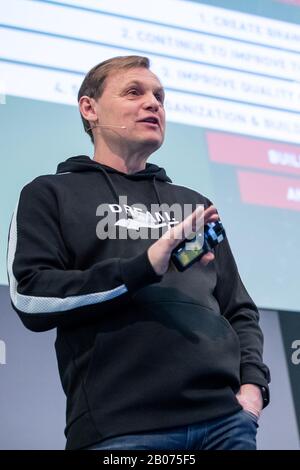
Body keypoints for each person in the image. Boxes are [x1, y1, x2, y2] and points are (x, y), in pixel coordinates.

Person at [7, 55, 270, 450]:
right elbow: (31, 296)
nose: (154, 103)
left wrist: (252, 388)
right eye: (135, 92)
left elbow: (238, 308)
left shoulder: (194, 204)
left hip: (224, 424)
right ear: (89, 108)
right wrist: (144, 265)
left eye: (159, 96)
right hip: (122, 429)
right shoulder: (50, 193)